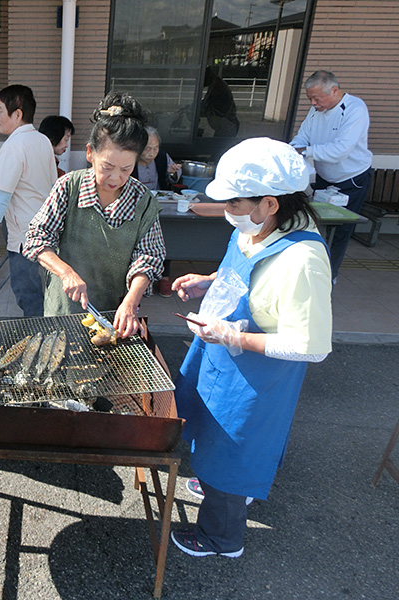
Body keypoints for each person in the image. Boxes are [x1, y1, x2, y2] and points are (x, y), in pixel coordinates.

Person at [170, 137, 332, 558]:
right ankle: (214, 484)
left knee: (233, 449)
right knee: (207, 431)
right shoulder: (257, 227)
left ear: (270, 203)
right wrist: (207, 280)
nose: (228, 213)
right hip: (217, 357)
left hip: (254, 380)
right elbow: (244, 274)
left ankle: (221, 538)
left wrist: (232, 337)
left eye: (236, 204)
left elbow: (309, 346)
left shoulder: (303, 260)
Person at [23, 92, 166, 337]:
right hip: (63, 310)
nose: (115, 178)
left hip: (116, 313)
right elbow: (36, 239)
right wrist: (66, 272)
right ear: (90, 153)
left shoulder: (143, 200)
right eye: (107, 167)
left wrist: (131, 301)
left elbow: (149, 257)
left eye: (126, 169)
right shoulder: (68, 187)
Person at [0, 85, 57, 317]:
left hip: (25, 237)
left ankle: (38, 341)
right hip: (46, 231)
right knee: (42, 293)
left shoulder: (13, 146)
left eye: (0, 110)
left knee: (28, 294)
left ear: (18, 113)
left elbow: (2, 195)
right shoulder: (42, 140)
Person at [290, 70, 372, 281]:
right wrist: (293, 149)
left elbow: (340, 150)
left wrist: (306, 151)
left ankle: (329, 276)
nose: (314, 103)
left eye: (317, 98)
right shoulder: (316, 110)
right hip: (325, 177)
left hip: (351, 178)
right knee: (317, 223)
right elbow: (303, 136)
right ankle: (312, 270)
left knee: (341, 231)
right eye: (310, 98)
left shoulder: (355, 109)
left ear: (334, 90)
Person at [132, 126, 182, 298]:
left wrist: (173, 172)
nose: (152, 153)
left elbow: (175, 176)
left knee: (166, 235)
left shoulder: (162, 157)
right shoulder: (129, 160)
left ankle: (164, 277)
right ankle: (144, 278)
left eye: (155, 148)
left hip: (160, 204)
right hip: (135, 207)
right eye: (147, 149)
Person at [200, 67, 239, 137]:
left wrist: (194, 109)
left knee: (220, 145)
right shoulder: (215, 84)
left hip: (226, 126)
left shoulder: (218, 87)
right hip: (225, 125)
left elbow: (207, 106)